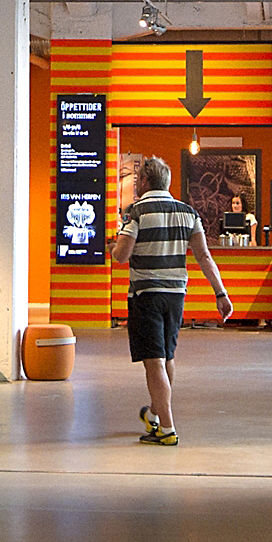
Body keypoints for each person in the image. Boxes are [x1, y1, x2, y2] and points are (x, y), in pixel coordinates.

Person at [112, 157, 233, 446]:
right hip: (176, 296)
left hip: (146, 295)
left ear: (144, 181)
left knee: (153, 361)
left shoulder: (136, 212)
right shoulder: (188, 213)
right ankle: (155, 414)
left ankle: (166, 429)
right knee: (167, 357)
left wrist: (115, 244)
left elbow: (122, 256)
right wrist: (221, 293)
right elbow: (204, 256)